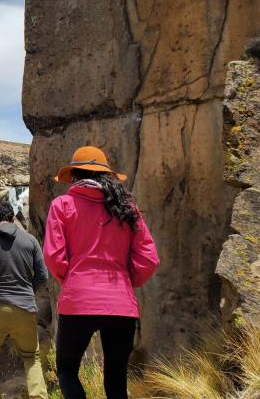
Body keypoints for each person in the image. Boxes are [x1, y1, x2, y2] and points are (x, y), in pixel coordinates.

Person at [43, 146, 160, 399]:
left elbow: (53, 256)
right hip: (121, 304)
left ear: (75, 175)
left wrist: (73, 281)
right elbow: (149, 258)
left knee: (66, 371)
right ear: (107, 175)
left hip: (78, 301)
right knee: (116, 379)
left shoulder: (62, 205)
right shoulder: (127, 207)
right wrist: (126, 282)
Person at [0, 201, 49, 399]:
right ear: (13, 218)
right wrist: (28, 293)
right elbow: (42, 275)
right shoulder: (30, 240)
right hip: (25, 309)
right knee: (31, 358)